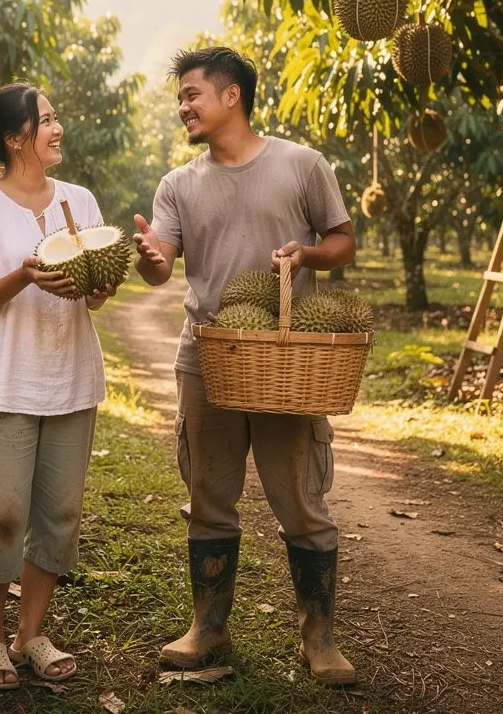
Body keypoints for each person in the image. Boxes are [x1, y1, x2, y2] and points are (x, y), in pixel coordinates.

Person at [132, 47, 358, 685]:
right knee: (209, 495)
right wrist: (149, 255)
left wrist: (309, 255)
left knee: (300, 501)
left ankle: (319, 636)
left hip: (285, 358)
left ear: (232, 96)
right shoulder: (179, 183)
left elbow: (342, 238)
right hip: (207, 356)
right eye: (180, 98)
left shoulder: (300, 164)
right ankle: (208, 626)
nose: (184, 107)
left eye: (193, 95)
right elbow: (160, 266)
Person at [0, 82, 117, 691]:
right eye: (46, 120)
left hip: (70, 379)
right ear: (16, 137)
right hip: (2, 383)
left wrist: (97, 288)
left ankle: (30, 634)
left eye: (55, 117)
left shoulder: (80, 201)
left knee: (59, 515)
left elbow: (96, 287)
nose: (58, 128)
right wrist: (23, 275)